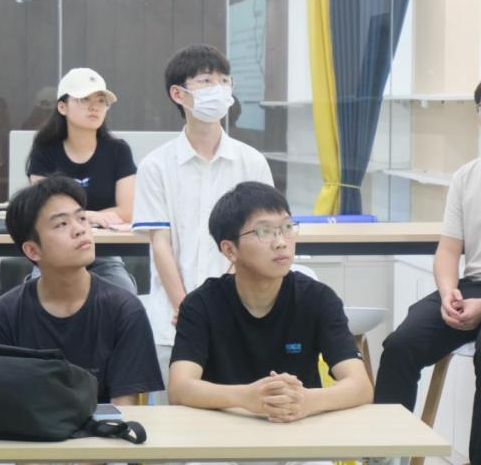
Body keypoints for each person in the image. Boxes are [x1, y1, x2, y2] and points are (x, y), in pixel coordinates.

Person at [132, 43, 273, 400]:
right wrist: (188, 308)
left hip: (241, 313)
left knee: (242, 414)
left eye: (225, 81)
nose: (219, 89)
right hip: (173, 320)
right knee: (173, 421)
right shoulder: (155, 166)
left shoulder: (252, 161)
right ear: (178, 94)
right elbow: (160, 243)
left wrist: (224, 304)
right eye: (207, 81)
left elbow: (259, 239)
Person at [169, 181, 373, 423]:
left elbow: (361, 385)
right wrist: (246, 397)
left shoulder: (317, 298)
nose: (281, 242)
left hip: (299, 429)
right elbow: (179, 388)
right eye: (264, 232)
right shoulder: (201, 304)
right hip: (223, 431)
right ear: (230, 250)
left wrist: (307, 401)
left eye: (287, 227)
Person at [0, 176, 164, 404]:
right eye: (61, 224)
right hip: (27, 426)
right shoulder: (3, 315)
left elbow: (125, 409)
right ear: (32, 250)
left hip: (104, 427)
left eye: (82, 218)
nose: (79, 230)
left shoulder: (124, 309)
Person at [374, 81, 481, 465]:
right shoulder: (467, 176)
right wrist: (449, 292)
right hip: (470, 285)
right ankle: (385, 456)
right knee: (400, 346)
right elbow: (448, 251)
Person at [26, 67, 138, 295]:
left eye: (101, 101)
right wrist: (90, 216)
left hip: (103, 251)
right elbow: (43, 209)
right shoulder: (45, 149)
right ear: (62, 107)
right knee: (39, 297)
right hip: (55, 251)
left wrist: (74, 218)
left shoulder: (118, 150)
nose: (94, 106)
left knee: (124, 294)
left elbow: (128, 211)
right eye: (84, 99)